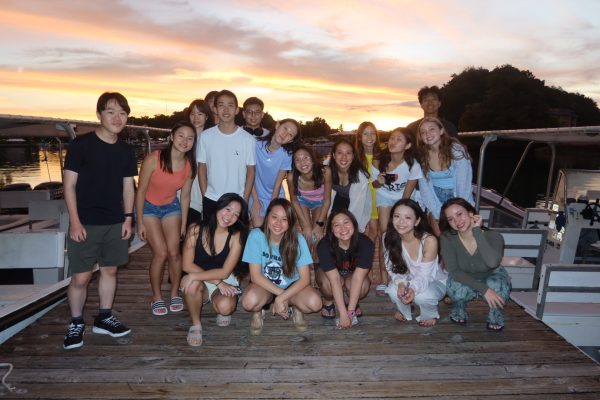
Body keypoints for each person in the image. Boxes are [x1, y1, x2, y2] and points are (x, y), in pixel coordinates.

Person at [62, 92, 137, 350]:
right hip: (84, 222)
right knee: (81, 278)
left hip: (114, 221)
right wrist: (74, 221)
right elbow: (69, 186)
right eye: (111, 111)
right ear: (99, 114)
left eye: (122, 113)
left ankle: (104, 317)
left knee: (110, 270)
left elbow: (129, 188)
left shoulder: (127, 151)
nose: (117, 118)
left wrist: (128, 218)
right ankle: (76, 322)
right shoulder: (81, 145)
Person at [135, 121, 196, 316]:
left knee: (174, 252)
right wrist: (139, 221)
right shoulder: (154, 158)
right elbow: (140, 190)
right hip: (149, 208)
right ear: (171, 137)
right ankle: (157, 296)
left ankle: (174, 292)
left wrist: (184, 224)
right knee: (160, 253)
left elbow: (185, 197)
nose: (185, 141)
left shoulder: (189, 166)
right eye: (181, 136)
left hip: (171, 207)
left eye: (190, 138)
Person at [241, 198, 322, 335]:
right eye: (274, 217)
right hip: (264, 285)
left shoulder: (298, 239)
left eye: (284, 219)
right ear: (267, 217)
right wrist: (281, 296)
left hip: (292, 287)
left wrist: (281, 298)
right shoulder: (256, 236)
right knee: (249, 302)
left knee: (315, 303)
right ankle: (258, 312)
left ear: (290, 222)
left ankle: (297, 308)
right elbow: (255, 276)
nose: (278, 223)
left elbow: (305, 279)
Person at [180, 193, 249, 346]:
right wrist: (217, 283)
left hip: (226, 279)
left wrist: (221, 282)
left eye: (236, 214)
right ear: (218, 207)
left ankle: (221, 301)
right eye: (227, 209)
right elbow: (186, 265)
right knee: (191, 284)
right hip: (203, 280)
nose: (229, 216)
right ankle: (196, 324)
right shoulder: (195, 229)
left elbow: (225, 272)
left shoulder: (236, 236)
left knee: (225, 308)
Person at [439, 197, 510, 331]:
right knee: (455, 289)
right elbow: (453, 270)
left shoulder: (495, 236)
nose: (457, 221)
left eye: (459, 214)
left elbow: (492, 262)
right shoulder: (447, 238)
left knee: (498, 286)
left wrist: (477, 231)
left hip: (491, 273)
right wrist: (484, 289)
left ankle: (495, 315)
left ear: (471, 213)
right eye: (450, 219)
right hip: (464, 275)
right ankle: (459, 310)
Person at [372, 127, 423, 295]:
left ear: (407, 145)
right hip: (385, 197)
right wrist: (379, 181)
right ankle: (383, 279)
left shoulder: (412, 164)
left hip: (404, 198)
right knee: (385, 234)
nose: (392, 142)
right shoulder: (379, 160)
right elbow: (374, 185)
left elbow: (407, 194)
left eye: (398, 139)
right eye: (391, 138)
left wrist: (400, 214)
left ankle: (409, 274)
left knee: (407, 233)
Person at [383, 199, 447, 327]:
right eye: (397, 216)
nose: (401, 222)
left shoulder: (429, 240)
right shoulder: (388, 237)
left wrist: (412, 288)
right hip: (408, 279)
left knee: (421, 296)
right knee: (391, 290)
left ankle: (429, 314)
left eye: (407, 217)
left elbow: (425, 276)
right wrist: (401, 283)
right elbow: (392, 268)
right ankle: (405, 312)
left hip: (434, 281)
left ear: (417, 221)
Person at [198, 90, 256, 223]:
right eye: (221, 105)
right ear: (215, 109)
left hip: (238, 200)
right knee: (211, 240)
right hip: (212, 199)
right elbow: (202, 168)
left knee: (237, 241)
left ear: (236, 110)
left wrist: (244, 200)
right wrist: (205, 195)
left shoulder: (247, 139)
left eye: (230, 105)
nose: (226, 109)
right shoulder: (206, 136)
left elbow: (251, 171)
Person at [316, 209, 374, 329]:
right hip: (331, 277)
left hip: (351, 277)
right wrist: (343, 315)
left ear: (354, 224)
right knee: (327, 283)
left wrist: (350, 313)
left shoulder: (366, 243)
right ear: (331, 230)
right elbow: (335, 279)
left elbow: (358, 278)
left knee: (363, 284)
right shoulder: (324, 245)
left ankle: (351, 302)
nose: (343, 228)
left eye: (346, 222)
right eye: (337, 225)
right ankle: (328, 301)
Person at [417, 116, 473, 235]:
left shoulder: (456, 152)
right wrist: (439, 214)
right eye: (423, 132)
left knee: (462, 237)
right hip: (436, 200)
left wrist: (459, 211)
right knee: (442, 240)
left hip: (459, 198)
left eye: (432, 129)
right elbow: (425, 190)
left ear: (441, 131)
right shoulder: (422, 157)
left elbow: (464, 185)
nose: (427, 134)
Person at [250, 118, 301, 228]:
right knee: (259, 226)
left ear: (290, 141)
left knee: (276, 226)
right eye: (285, 128)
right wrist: (255, 200)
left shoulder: (286, 155)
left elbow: (278, 184)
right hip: (255, 194)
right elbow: (249, 175)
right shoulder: (255, 145)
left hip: (276, 196)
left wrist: (272, 207)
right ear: (277, 125)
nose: (285, 134)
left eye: (290, 135)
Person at [287, 145, 332, 248]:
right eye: (297, 160)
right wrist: (305, 225)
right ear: (294, 163)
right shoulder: (291, 177)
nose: (302, 163)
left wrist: (320, 224)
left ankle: (315, 261)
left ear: (312, 159)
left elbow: (327, 200)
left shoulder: (325, 172)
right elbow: (294, 201)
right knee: (307, 237)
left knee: (316, 238)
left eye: (306, 158)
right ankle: (306, 262)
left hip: (320, 202)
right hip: (302, 202)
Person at [328, 138, 372, 233]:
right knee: (331, 227)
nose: (344, 157)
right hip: (338, 198)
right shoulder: (327, 168)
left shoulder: (360, 177)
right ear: (334, 155)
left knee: (350, 230)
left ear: (353, 156)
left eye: (348, 153)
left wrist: (357, 227)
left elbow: (358, 207)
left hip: (359, 202)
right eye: (340, 153)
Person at [185, 99, 212, 226]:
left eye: (200, 114)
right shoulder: (184, 137)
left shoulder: (211, 138)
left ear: (207, 116)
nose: (196, 117)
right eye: (192, 114)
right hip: (186, 189)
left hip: (205, 189)